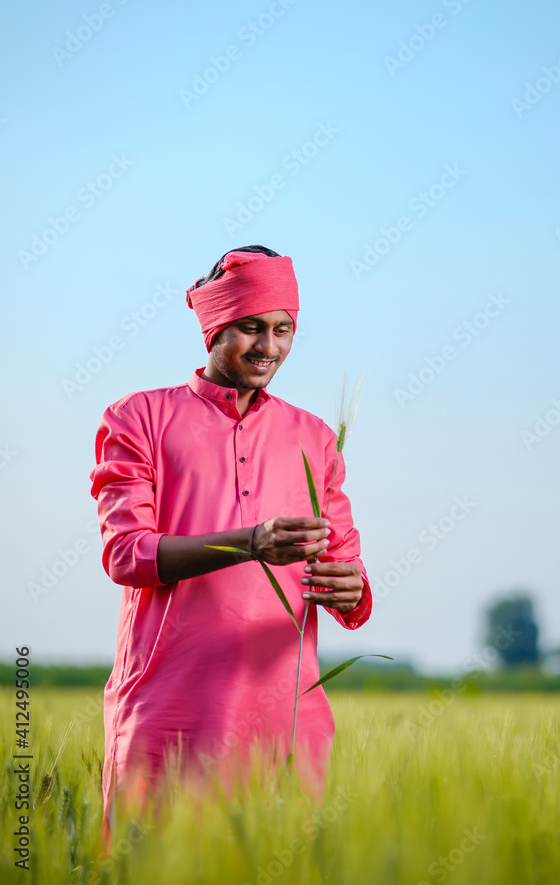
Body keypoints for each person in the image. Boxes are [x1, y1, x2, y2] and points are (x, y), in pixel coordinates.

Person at [90, 244, 372, 839]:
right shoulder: (138, 417)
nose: (268, 348)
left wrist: (352, 591)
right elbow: (127, 554)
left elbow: (345, 569)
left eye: (283, 330)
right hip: (170, 715)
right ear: (214, 328)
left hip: (289, 721)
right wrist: (249, 543)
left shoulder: (315, 437)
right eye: (250, 328)